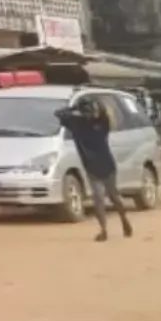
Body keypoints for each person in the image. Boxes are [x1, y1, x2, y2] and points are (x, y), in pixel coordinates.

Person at [55, 94, 132, 242]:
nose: (92, 113)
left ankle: (124, 220)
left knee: (113, 196)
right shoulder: (77, 122)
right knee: (98, 199)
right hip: (92, 167)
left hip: (106, 164)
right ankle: (103, 230)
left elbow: (105, 113)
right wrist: (75, 107)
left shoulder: (101, 123)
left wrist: (84, 107)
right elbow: (58, 114)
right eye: (89, 110)